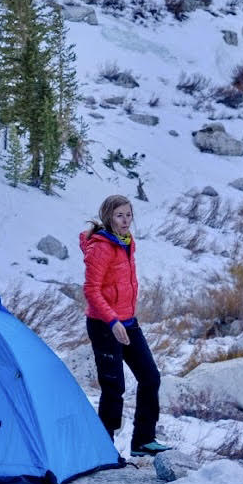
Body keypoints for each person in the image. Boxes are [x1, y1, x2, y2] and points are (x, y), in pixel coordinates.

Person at [80, 193, 170, 457]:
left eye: (129, 215)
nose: (126, 220)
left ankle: (143, 440)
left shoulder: (127, 242)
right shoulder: (101, 247)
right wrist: (112, 321)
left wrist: (124, 319)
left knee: (150, 377)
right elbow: (91, 290)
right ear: (108, 216)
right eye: (120, 215)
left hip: (129, 323)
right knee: (114, 387)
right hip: (104, 325)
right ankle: (103, 446)